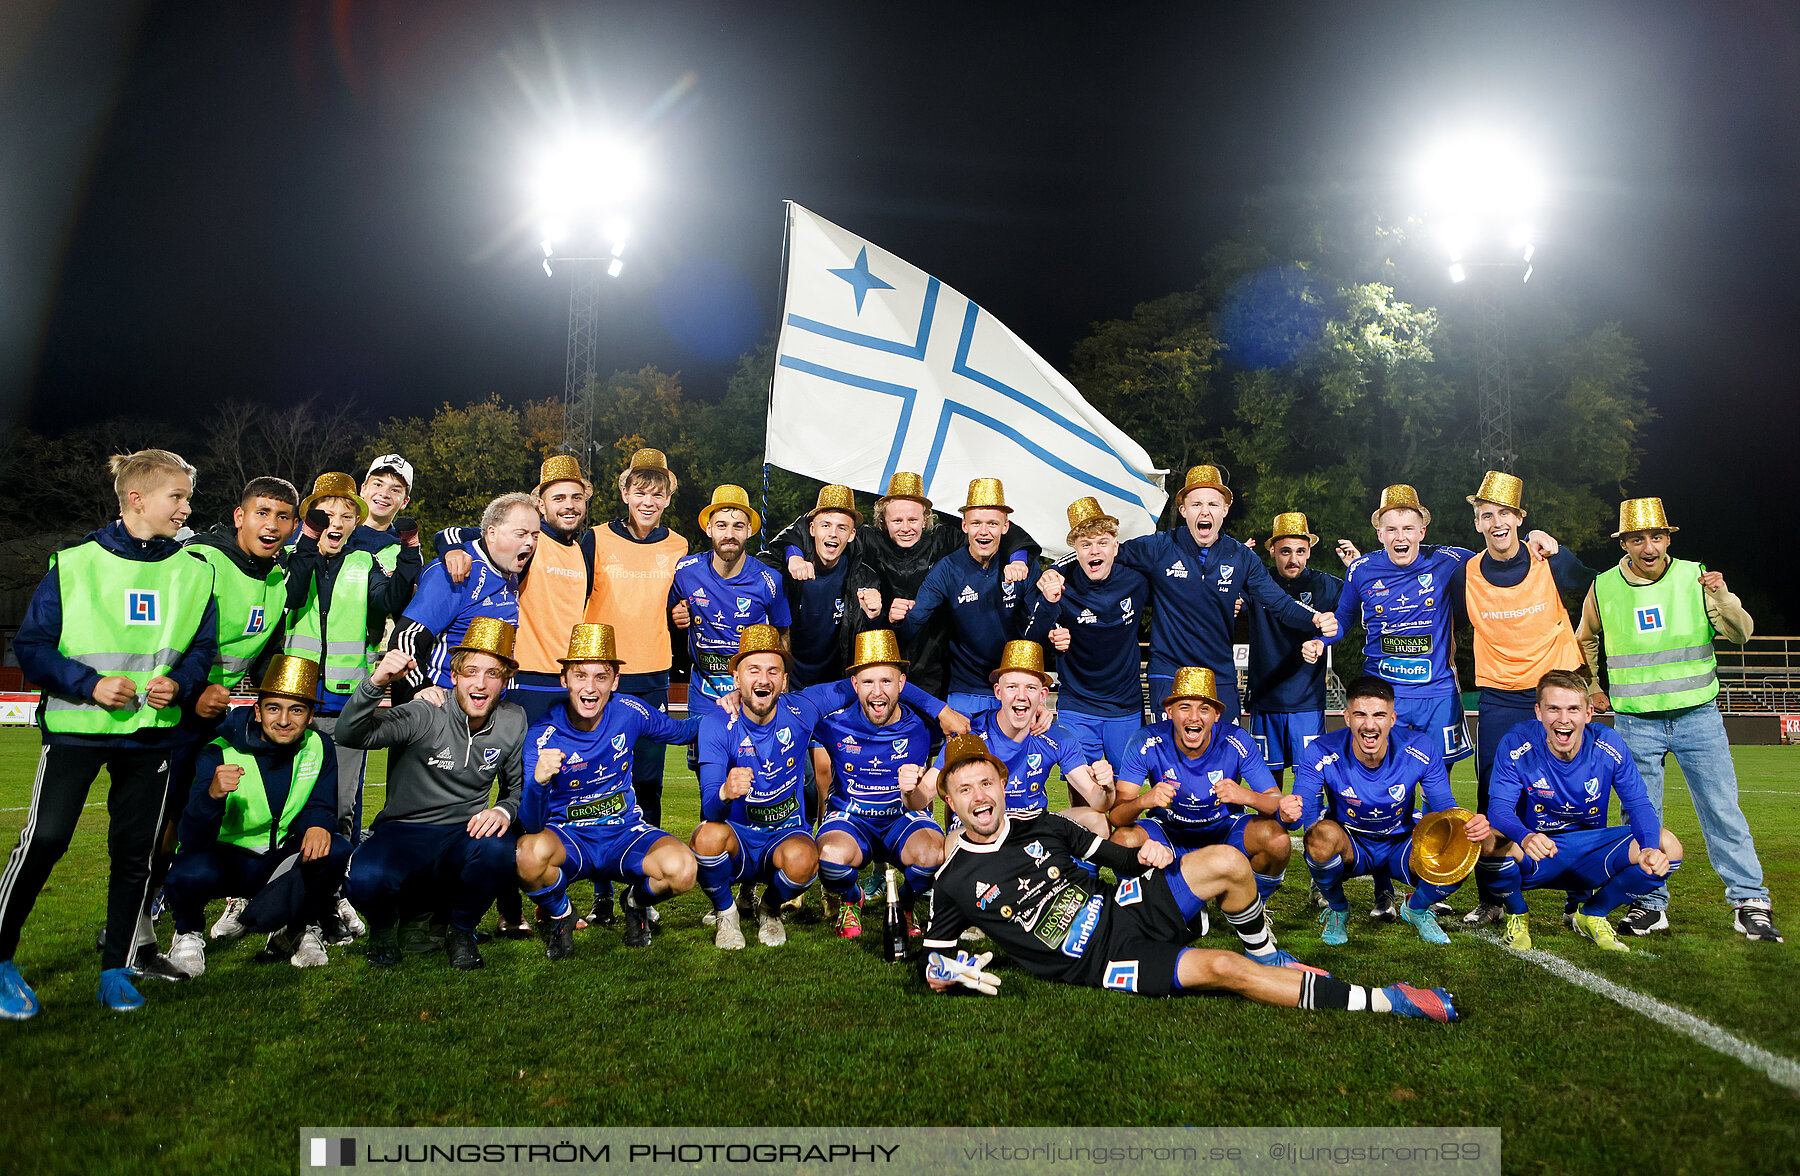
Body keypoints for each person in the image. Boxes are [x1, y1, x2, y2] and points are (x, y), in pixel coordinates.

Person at [921, 735, 1459, 1020]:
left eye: (986, 783)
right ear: (949, 799)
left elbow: (1118, 858)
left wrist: (1150, 854)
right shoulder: (952, 879)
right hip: (1105, 959)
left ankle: (1271, 953)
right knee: (1224, 966)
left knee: (1229, 862)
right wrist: (944, 972)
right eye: (965, 790)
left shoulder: (1043, 823)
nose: (980, 797)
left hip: (1124, 905)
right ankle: (1390, 1000)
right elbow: (934, 958)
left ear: (1002, 782)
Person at [1, 449, 220, 1018]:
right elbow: (30, 648)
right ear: (136, 499)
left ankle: (117, 969)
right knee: (45, 841)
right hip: (78, 731)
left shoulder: (196, 570)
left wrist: (181, 680)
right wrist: (88, 684)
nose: (186, 508)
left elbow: (202, 651)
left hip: (153, 737)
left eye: (187, 498)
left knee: (137, 856)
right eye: (177, 497)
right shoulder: (73, 564)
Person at [1576, 497, 1780, 942]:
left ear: (1667, 538)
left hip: (1698, 717)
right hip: (1635, 723)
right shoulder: (1604, 586)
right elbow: (1584, 639)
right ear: (1625, 543)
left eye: (1656, 536)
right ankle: (1650, 905)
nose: (1648, 546)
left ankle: (1750, 902)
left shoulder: (1697, 577)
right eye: (1637, 538)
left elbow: (1743, 634)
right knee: (1641, 820)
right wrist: (1592, 685)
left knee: (1722, 811)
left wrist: (1723, 596)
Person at [1448, 472, 1595, 926]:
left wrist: (1595, 671)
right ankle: (1492, 898)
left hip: (1558, 692)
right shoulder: (1465, 574)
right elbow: (1447, 627)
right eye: (1486, 515)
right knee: (1494, 797)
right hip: (1499, 697)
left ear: (1520, 518)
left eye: (1504, 514)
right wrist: (1448, 671)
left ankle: (1580, 901)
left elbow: (1600, 591)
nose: (1496, 523)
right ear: (1477, 523)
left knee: (1577, 794)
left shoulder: (1549, 559)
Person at [338, 619, 527, 970]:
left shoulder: (513, 719)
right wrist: (376, 682)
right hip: (404, 830)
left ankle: (460, 931)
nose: (481, 683)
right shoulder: (426, 710)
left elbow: (515, 789)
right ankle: (384, 927)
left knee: (501, 847)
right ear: (454, 676)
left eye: (493, 674)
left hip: (462, 833)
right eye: (471, 671)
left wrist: (503, 810)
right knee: (364, 878)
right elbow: (350, 735)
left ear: (505, 682)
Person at [514, 624, 700, 957]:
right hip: (570, 838)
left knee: (683, 870)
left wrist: (733, 705)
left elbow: (683, 731)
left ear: (614, 682)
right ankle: (561, 914)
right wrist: (538, 782)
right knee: (525, 856)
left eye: (601, 677)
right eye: (580, 675)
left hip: (623, 833)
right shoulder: (543, 734)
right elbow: (530, 823)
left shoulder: (630, 711)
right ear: (564, 679)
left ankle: (634, 901)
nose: (590, 687)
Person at [163, 655, 352, 975]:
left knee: (335, 848)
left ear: (310, 717)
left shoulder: (320, 746)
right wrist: (212, 796)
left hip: (280, 857)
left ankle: (298, 929)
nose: (284, 720)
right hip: (227, 860)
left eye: (297, 710)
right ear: (257, 710)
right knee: (188, 869)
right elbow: (192, 837)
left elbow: (321, 803)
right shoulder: (218, 749)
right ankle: (187, 933)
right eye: (274, 708)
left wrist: (318, 824)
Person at [1477, 670, 1684, 953]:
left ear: (1588, 713)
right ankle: (1517, 914)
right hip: (1537, 850)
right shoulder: (1517, 743)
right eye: (1554, 709)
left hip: (1591, 852)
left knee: (1667, 845)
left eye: (1573, 709)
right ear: (1539, 712)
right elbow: (1499, 809)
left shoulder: (1608, 744)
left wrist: (1648, 848)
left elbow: (1638, 804)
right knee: (1488, 839)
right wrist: (1525, 837)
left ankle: (1593, 913)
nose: (1564, 719)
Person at [1112, 465, 1336, 723]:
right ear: (1183, 510)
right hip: (1168, 670)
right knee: (1170, 753)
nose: (1204, 511)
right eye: (1196, 504)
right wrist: (1057, 571)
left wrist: (1315, 619)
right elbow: (1104, 554)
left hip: (1219, 672)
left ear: (1225, 510)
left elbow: (1279, 603)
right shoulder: (1159, 546)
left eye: (1213, 504)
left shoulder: (1241, 556)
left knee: (1227, 754)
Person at [282, 473, 423, 863]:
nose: (337, 523)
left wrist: (409, 550)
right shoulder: (291, 557)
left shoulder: (364, 562)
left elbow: (392, 600)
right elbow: (290, 598)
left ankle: (336, 889)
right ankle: (274, 887)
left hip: (346, 700)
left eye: (346, 516)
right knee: (287, 798)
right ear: (310, 519)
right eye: (326, 514)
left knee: (343, 804)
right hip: (295, 696)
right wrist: (307, 545)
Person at [1295, 676, 1489, 947]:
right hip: (1352, 843)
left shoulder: (1419, 747)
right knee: (1318, 837)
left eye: (1379, 715)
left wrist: (1469, 825)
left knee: (1464, 845)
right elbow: (1298, 810)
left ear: (1392, 718)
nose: (1370, 724)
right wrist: (1288, 811)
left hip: (1401, 843)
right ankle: (1338, 909)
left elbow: (1445, 809)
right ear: (1347, 717)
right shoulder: (1321, 750)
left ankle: (1417, 908)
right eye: (1360, 714)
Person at [581, 447, 688, 928]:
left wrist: (679, 618)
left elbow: (685, 603)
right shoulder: (595, 539)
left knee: (647, 782)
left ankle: (640, 891)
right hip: (598, 674)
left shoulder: (680, 546)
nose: (649, 500)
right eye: (640, 491)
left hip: (650, 674)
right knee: (598, 779)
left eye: (658, 493)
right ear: (623, 492)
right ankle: (601, 893)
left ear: (668, 498)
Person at [804, 629, 965, 938]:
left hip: (904, 818)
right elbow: (779, 709)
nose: (877, 693)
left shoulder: (924, 725)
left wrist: (1038, 713)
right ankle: (852, 899)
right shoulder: (832, 722)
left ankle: (903, 905)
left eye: (887, 682)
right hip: (850, 818)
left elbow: (977, 726)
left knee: (934, 856)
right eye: (867, 682)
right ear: (854, 685)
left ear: (902, 685)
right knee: (827, 859)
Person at [434, 455, 603, 724]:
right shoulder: (529, 540)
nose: (569, 505)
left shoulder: (580, 551)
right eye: (558, 498)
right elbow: (451, 533)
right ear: (541, 504)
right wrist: (452, 549)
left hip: (567, 681)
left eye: (576, 497)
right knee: (522, 766)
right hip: (526, 680)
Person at [1108, 667, 1297, 904]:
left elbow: (1277, 804)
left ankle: (1251, 905)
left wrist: (1246, 796)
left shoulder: (1236, 740)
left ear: (1217, 715)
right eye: (1184, 707)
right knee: (1122, 840)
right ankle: (1148, 907)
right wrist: (1143, 801)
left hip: (1224, 832)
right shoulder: (1145, 740)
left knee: (1277, 840)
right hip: (1169, 832)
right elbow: (1116, 816)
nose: (1194, 717)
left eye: (1204, 709)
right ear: (1170, 711)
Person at [690, 626, 820, 950]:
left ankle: (770, 908)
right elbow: (710, 808)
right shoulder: (716, 722)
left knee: (806, 859)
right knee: (705, 838)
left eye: (773, 670)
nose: (763, 679)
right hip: (739, 838)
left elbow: (860, 684)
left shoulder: (801, 711)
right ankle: (727, 912)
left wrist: (940, 711)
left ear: (785, 681)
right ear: (736, 678)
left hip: (784, 834)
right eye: (754, 670)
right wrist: (725, 791)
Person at [921, 640, 1113, 836]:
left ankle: (1076, 868)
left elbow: (1098, 801)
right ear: (998, 691)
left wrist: (1107, 787)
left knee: (1096, 821)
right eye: (1012, 687)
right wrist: (911, 790)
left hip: (1031, 825)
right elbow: (925, 792)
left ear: (1042, 695)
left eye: (1030, 688)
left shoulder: (1059, 737)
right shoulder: (971, 732)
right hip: (981, 827)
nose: (1021, 696)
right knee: (955, 842)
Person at [892, 478, 1043, 716]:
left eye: (992, 523)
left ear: (1006, 527)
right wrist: (899, 619)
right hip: (965, 691)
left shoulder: (1023, 567)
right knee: (962, 753)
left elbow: (1039, 629)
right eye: (976, 523)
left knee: (1014, 753)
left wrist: (1052, 605)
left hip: (1016, 689)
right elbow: (914, 624)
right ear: (964, 526)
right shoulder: (947, 569)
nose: (984, 531)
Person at [1028, 497, 1150, 770]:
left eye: (1102, 543)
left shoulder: (1137, 578)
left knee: (1125, 790)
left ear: (1115, 546)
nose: (1095, 551)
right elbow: (1031, 637)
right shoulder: (1059, 584)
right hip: (1077, 704)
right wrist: (1051, 623)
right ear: (1075, 550)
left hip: (1125, 705)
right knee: (1081, 787)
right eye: (1086, 545)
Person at [669, 485, 791, 736]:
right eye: (722, 525)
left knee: (752, 769)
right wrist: (675, 612)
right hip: (704, 692)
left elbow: (783, 636)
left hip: (753, 693)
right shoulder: (685, 571)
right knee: (706, 770)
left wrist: (782, 691)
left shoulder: (769, 580)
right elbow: (666, 613)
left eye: (738, 526)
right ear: (709, 528)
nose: (729, 534)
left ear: (749, 530)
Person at [390, 492, 535, 703]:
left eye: (535, 535)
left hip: (491, 703)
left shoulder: (511, 564)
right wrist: (419, 688)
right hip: (449, 705)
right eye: (521, 534)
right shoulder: (455, 570)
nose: (530, 543)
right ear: (492, 534)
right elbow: (407, 637)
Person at [1242, 512, 1342, 787]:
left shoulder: (1327, 585)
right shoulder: (1255, 583)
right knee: (1266, 786)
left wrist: (1356, 568)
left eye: (1300, 551)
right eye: (1285, 551)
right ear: (1272, 550)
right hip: (1265, 700)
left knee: (1310, 782)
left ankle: (1311, 829)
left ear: (1309, 552)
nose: (1293, 559)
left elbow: (1352, 614)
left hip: (1306, 703)